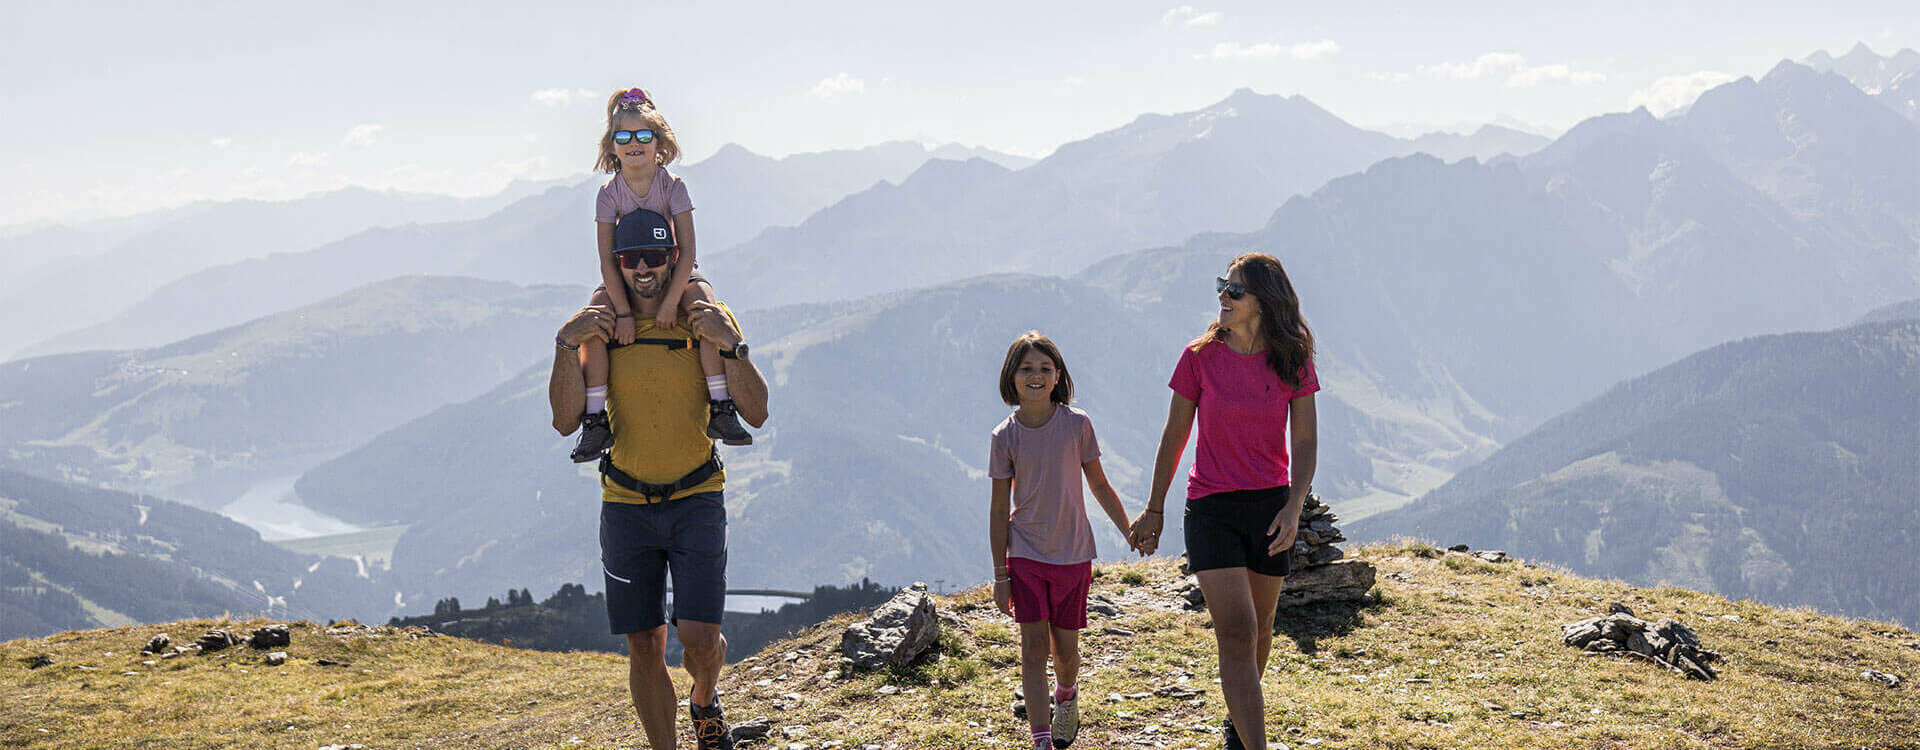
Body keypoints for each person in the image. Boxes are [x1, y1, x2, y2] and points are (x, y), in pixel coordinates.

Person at [549, 215, 770, 750]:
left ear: (674, 258)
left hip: (697, 498)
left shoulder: (705, 318)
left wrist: (734, 344)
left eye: (655, 257)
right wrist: (563, 345)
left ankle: (704, 699)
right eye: (631, 259)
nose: (644, 269)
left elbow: (758, 413)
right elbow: (563, 421)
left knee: (700, 642)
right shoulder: (600, 325)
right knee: (644, 645)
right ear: (617, 264)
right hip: (626, 504)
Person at [1127, 253, 1319, 750]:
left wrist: (1294, 506)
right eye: (1222, 286)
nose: (1222, 296)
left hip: (1270, 509)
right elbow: (1175, 434)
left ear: (1264, 301)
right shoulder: (1199, 357)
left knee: (1261, 630)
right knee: (1237, 632)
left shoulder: (1292, 358)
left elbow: (1304, 442)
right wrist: (1155, 507)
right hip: (1211, 509)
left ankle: (1238, 721)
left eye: (1234, 290)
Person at [572, 86, 751, 464]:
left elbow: (687, 252)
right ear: (612, 146)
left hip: (674, 268)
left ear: (659, 142)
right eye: (623, 137)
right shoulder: (608, 194)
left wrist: (671, 302)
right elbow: (607, 261)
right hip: (625, 271)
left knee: (703, 308)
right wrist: (622, 312)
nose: (633, 143)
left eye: (642, 134)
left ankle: (721, 407)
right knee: (595, 316)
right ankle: (595, 419)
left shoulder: (674, 187)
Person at [988, 331, 1139, 750]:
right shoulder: (1004, 436)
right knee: (1033, 649)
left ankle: (1066, 695)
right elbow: (998, 509)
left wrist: (1128, 529)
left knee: (1066, 652)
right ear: (1012, 376)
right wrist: (1000, 574)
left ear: (1058, 376)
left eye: (1044, 368)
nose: (1035, 376)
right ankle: (1041, 739)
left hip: (1072, 554)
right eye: (1026, 368)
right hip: (1025, 554)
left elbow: (1099, 484)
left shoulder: (1076, 424)